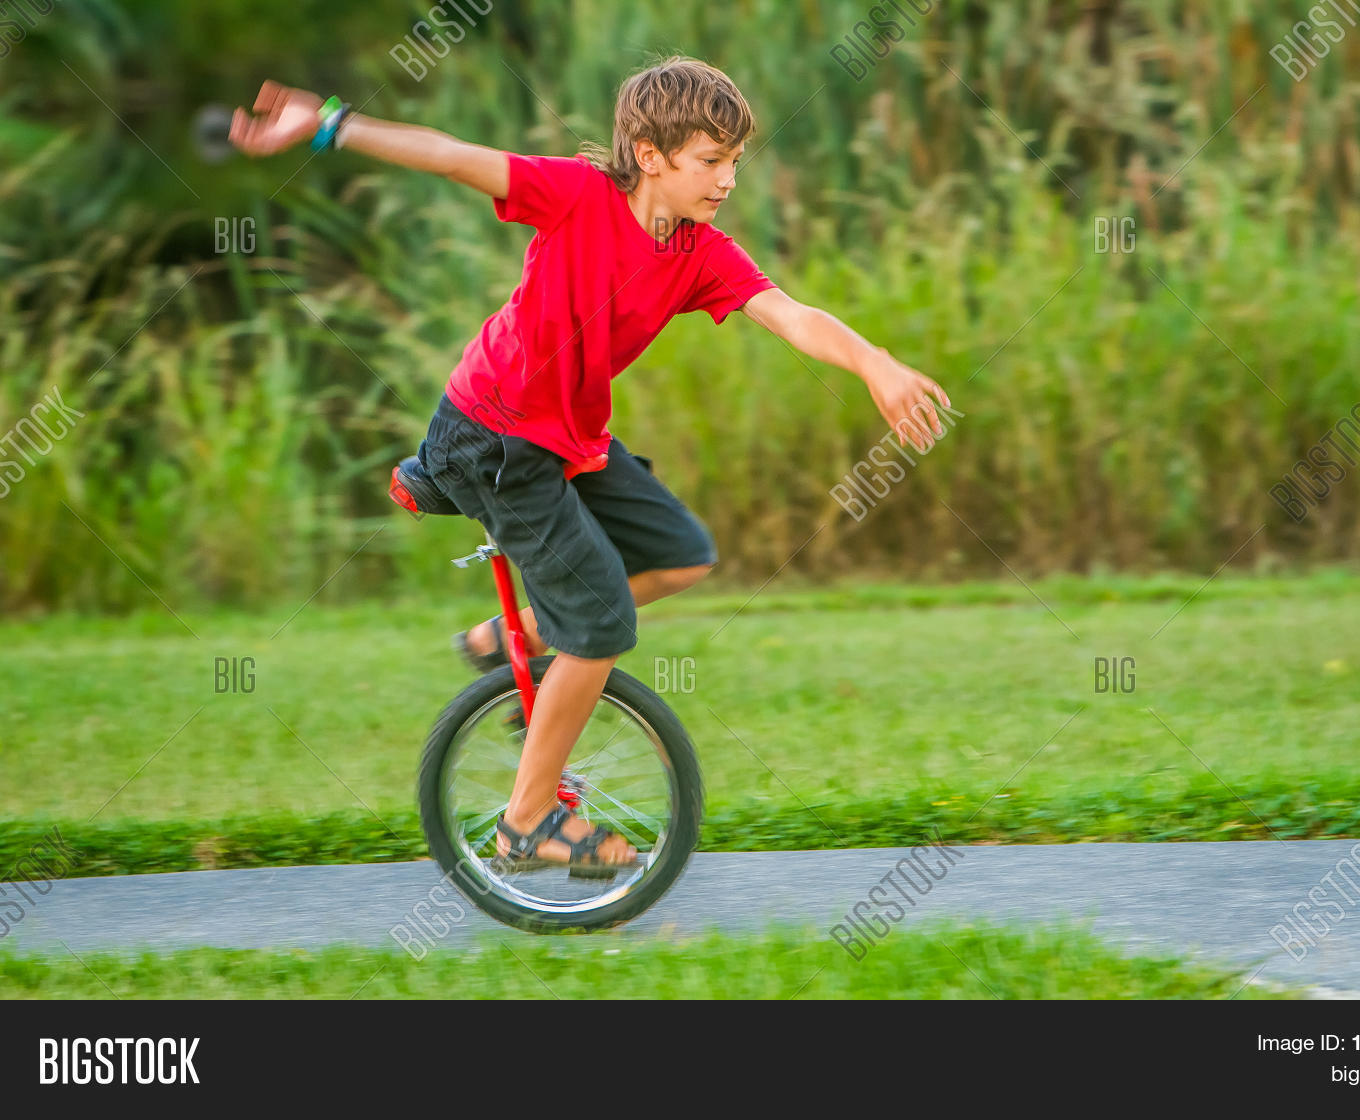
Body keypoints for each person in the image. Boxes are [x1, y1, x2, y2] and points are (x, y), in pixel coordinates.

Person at [229, 57, 951, 871]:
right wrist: (328, 125)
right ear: (649, 154)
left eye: (735, 162)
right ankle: (527, 821)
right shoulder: (576, 196)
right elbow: (452, 155)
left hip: (568, 441)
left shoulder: (699, 254)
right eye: (711, 160)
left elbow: (790, 315)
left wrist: (875, 364)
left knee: (681, 554)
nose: (728, 180)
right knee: (602, 623)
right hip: (492, 437)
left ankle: (511, 638)